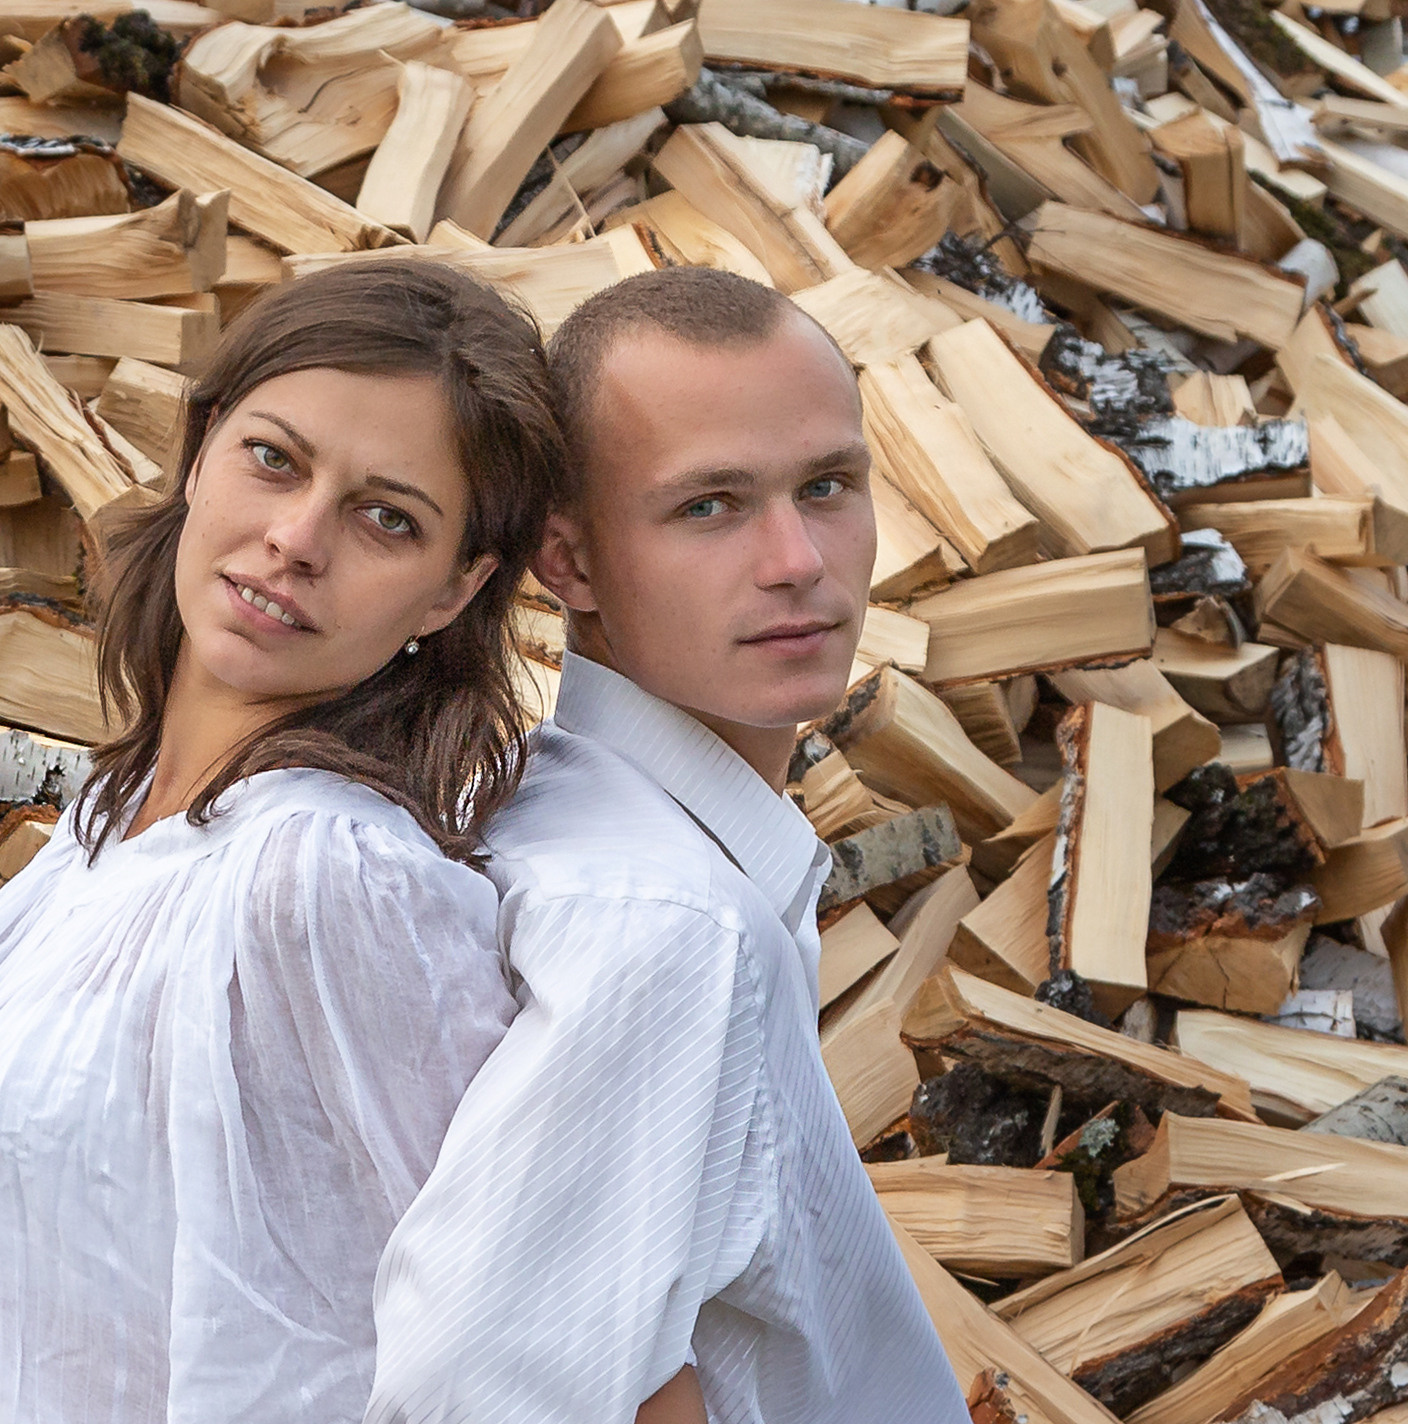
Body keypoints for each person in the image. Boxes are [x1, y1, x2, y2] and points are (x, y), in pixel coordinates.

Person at [0, 260, 566, 1424]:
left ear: (455, 589)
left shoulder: (329, 877)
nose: (297, 538)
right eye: (275, 459)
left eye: (387, 518)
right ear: (199, 452)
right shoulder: (116, 819)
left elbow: (490, 1335)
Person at [366, 267, 971, 1424]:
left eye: (827, 486)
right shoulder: (662, 920)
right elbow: (482, 1386)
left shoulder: (615, 839)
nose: (796, 558)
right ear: (570, 561)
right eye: (711, 505)